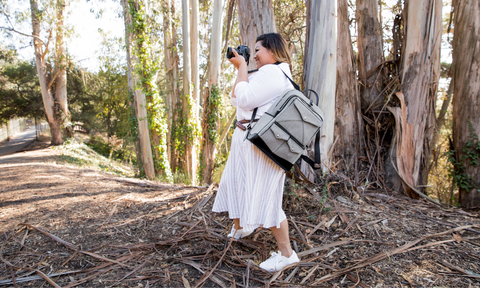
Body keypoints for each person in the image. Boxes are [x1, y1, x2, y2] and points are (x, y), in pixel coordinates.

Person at [212, 33, 300, 273]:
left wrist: (241, 67)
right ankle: (241, 226)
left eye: (258, 50)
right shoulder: (267, 74)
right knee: (236, 183)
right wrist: (242, 70)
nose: (256, 56)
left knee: (268, 198)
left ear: (273, 50)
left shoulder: (273, 72)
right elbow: (236, 99)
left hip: (260, 142)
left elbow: (246, 100)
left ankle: (287, 254)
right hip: (248, 138)